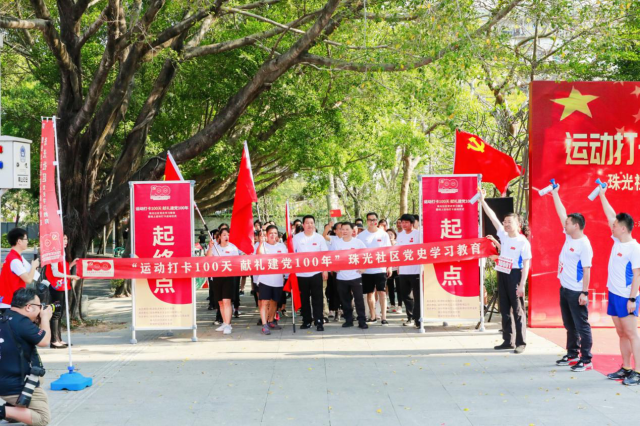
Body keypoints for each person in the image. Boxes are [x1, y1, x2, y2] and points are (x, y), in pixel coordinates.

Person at [479, 189, 531, 354]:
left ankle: (521, 342)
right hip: (502, 273)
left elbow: (526, 263)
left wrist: (522, 284)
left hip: (515, 275)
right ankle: (508, 340)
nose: (506, 224)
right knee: (505, 308)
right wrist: (482, 200)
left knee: (517, 309)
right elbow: (492, 217)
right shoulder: (503, 235)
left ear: (518, 224)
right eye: (505, 222)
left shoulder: (523, 242)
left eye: (509, 222)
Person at [598, 189, 640, 385]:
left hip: (626, 297)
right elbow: (610, 214)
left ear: (623, 228)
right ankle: (626, 367)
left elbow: (638, 275)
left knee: (632, 334)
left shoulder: (634, 247)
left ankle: (638, 372)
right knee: (621, 333)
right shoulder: (617, 240)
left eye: (615, 226)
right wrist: (602, 194)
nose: (611, 227)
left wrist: (632, 299)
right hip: (614, 294)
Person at [550, 187, 594, 372]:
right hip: (565, 288)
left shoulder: (584, 244)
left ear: (576, 225)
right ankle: (572, 353)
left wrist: (584, 292)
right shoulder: (569, 236)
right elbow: (561, 213)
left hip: (577, 291)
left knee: (581, 325)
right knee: (569, 324)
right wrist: (555, 193)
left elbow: (586, 270)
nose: (564, 224)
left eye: (568, 223)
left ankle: (586, 359)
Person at [0, 288, 52, 426]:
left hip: (5, 379)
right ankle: (3, 411)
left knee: (21, 414)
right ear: (29, 307)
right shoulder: (22, 322)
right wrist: (45, 318)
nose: (41, 310)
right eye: (39, 306)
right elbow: (44, 341)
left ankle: (13, 410)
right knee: (42, 418)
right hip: (17, 383)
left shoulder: (4, 317)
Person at [292, 215, 329, 331]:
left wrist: (325, 270)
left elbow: (325, 255)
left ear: (314, 224)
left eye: (311, 223)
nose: (310, 225)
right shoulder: (296, 238)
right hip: (301, 275)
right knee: (304, 299)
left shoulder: (319, 238)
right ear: (303, 225)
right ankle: (306, 320)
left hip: (316, 274)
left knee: (317, 298)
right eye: (307, 223)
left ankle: (319, 321)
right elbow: (292, 255)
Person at [330, 222, 368, 329]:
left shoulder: (358, 242)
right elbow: (330, 257)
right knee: (345, 300)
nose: (345, 231)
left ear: (352, 231)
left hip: (355, 276)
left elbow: (367, 255)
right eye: (343, 229)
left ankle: (362, 321)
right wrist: (333, 268)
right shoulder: (336, 243)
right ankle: (348, 320)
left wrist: (364, 267)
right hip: (341, 277)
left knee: (359, 300)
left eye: (347, 229)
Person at [44, 234, 79, 349]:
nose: (66, 241)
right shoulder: (55, 254)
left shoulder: (62, 253)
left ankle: (58, 338)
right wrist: (70, 276)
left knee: (59, 313)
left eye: (66, 238)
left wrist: (72, 264)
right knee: (56, 313)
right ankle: (54, 340)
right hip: (56, 287)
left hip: (63, 286)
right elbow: (55, 273)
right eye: (63, 239)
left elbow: (61, 270)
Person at [358, 212, 392, 325]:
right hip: (367, 270)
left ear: (377, 221)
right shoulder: (361, 236)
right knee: (370, 293)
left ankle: (384, 317)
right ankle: (372, 316)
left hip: (380, 269)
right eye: (370, 220)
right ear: (367, 221)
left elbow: (388, 251)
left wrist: (389, 266)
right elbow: (358, 253)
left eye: (374, 220)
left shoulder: (383, 234)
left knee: (382, 292)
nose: (372, 222)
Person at [206, 228, 239, 335]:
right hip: (217, 277)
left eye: (228, 235)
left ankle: (228, 324)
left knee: (226, 301)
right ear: (219, 236)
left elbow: (237, 262)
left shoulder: (233, 248)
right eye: (224, 235)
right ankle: (224, 322)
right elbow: (208, 258)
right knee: (220, 302)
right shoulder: (215, 247)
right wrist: (210, 247)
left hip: (229, 277)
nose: (226, 237)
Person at [256, 225, 287, 335]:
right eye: (271, 233)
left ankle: (270, 321)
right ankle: (264, 324)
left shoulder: (282, 247)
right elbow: (258, 256)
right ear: (266, 235)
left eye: (275, 233)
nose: (273, 235)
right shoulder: (263, 246)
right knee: (265, 302)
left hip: (278, 280)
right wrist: (260, 243)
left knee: (274, 302)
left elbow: (286, 260)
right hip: (265, 279)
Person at [0, 228, 40, 310]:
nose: (27, 242)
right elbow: (28, 280)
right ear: (19, 241)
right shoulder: (15, 260)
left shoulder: (13, 257)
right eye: (26, 239)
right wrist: (33, 266)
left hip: (10, 301)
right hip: (10, 303)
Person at [396, 214, 421, 328]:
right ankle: (410, 317)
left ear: (412, 223)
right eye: (402, 222)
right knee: (405, 295)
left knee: (417, 295)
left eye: (406, 222)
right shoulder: (400, 236)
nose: (404, 224)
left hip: (416, 270)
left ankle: (418, 318)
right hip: (403, 270)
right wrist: (397, 267)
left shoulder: (418, 234)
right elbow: (397, 251)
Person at [386, 229, 401, 313]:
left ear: (395, 235)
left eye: (391, 234)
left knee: (399, 288)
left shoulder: (398, 244)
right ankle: (392, 304)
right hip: (389, 269)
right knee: (390, 287)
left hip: (398, 269)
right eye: (388, 234)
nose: (390, 236)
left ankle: (399, 305)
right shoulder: (385, 245)